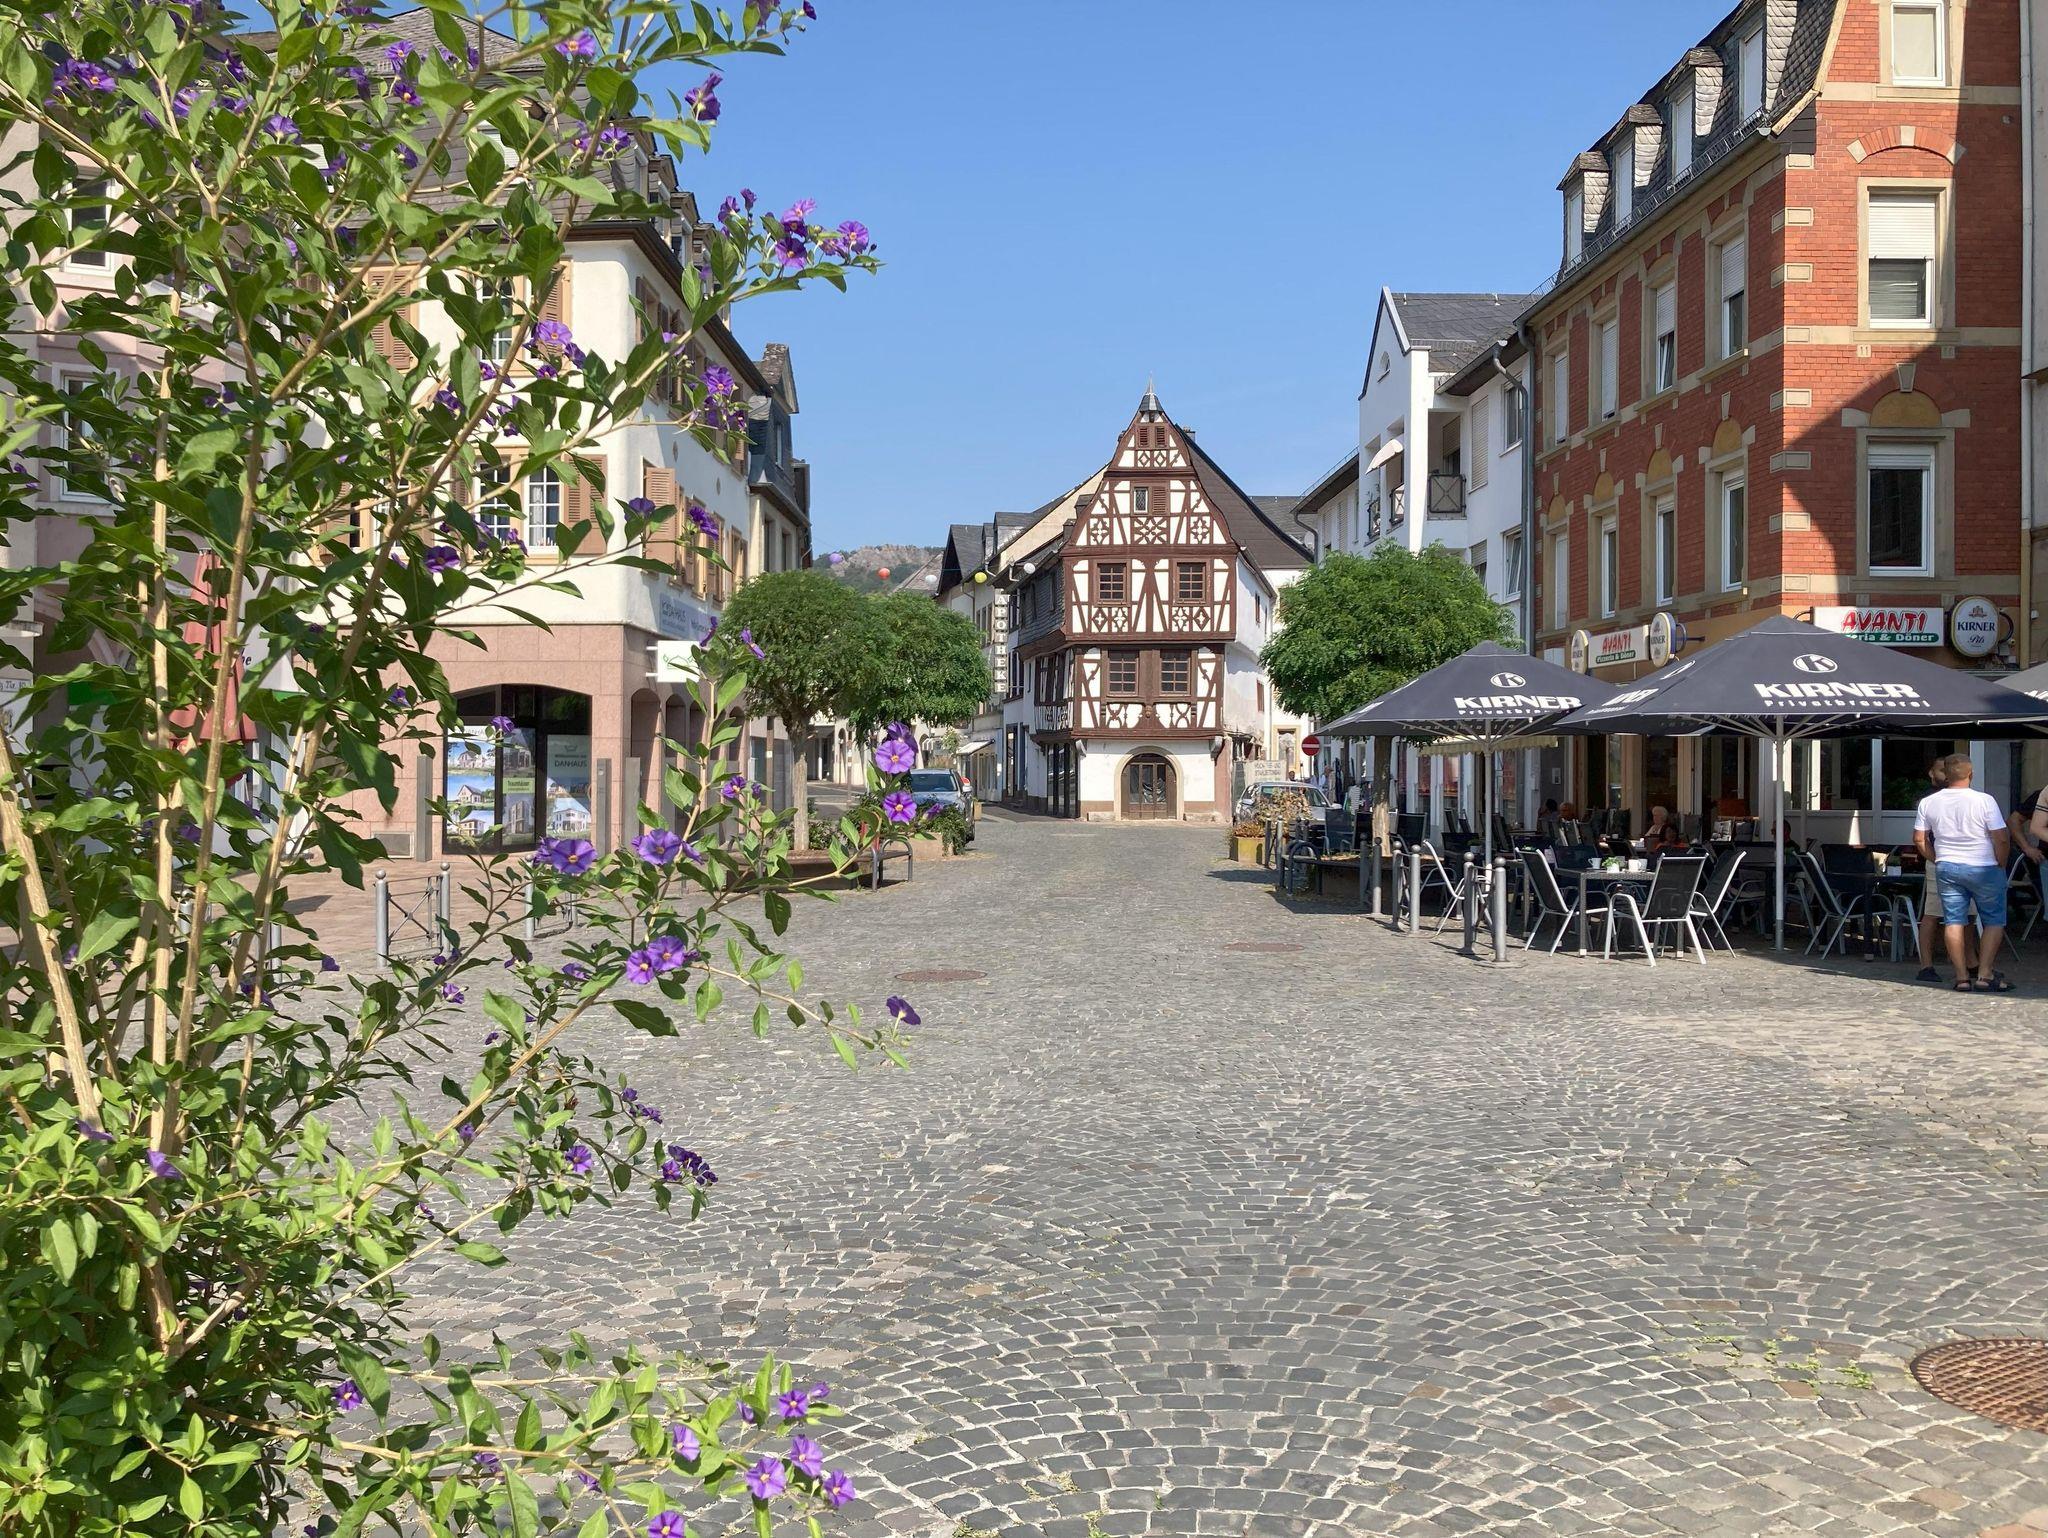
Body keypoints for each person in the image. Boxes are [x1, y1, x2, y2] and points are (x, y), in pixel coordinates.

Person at [1913, 754, 2012, 992]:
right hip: (1984, 866)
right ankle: (1985, 974)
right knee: (1993, 920)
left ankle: (1961, 978)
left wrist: (1937, 858)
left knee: (1953, 921)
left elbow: (1919, 839)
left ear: (1945, 775)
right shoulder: (1984, 800)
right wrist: (2001, 862)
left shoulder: (1929, 802)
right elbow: (2001, 837)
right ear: (1971, 774)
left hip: (1948, 866)